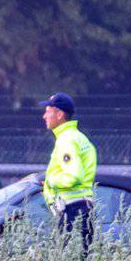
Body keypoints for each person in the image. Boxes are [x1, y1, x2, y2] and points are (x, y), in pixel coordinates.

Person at [39, 92, 97, 252]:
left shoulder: (67, 139)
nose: (44, 116)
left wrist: (51, 181)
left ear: (59, 114)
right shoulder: (78, 137)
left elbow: (73, 175)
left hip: (72, 212)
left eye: (48, 111)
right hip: (83, 209)